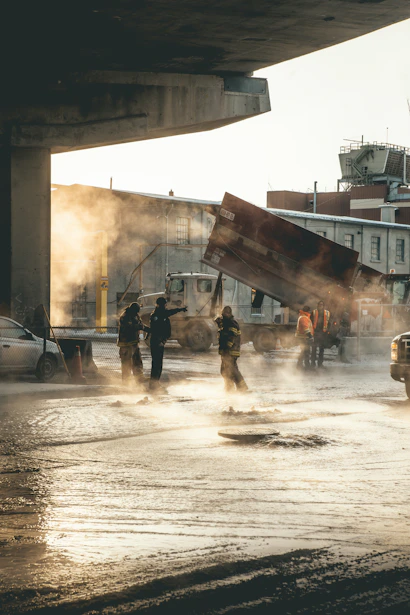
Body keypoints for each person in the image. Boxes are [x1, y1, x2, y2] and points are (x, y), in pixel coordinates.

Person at [149, 297, 187, 391]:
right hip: (157, 342)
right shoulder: (156, 315)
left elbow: (170, 312)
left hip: (160, 341)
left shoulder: (161, 313)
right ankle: (153, 384)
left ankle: (155, 383)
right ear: (160, 305)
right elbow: (155, 330)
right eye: (164, 304)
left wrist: (180, 309)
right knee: (156, 364)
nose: (165, 306)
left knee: (158, 364)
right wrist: (160, 341)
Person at [215, 306, 248, 392]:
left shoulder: (232, 323)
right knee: (224, 370)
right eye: (223, 313)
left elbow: (231, 337)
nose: (223, 315)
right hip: (225, 351)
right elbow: (223, 332)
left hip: (231, 351)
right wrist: (219, 323)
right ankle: (229, 387)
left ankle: (241, 387)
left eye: (225, 313)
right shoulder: (226, 323)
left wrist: (227, 348)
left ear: (229, 314)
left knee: (232, 370)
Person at [117, 302, 150, 386]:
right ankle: (126, 383)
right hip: (126, 345)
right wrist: (139, 327)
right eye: (136, 311)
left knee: (137, 362)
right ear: (132, 310)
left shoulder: (135, 315)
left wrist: (149, 329)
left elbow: (140, 325)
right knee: (126, 364)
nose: (137, 313)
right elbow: (129, 328)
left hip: (134, 344)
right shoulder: (125, 316)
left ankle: (139, 379)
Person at [310, 300, 330, 368]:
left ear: (323, 306)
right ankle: (313, 363)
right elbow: (310, 322)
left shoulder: (327, 313)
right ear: (317, 305)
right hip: (315, 333)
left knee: (321, 349)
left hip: (323, 333)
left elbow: (329, 322)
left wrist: (327, 331)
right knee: (314, 349)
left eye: (322, 304)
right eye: (319, 304)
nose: (320, 306)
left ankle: (320, 363)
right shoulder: (314, 312)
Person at [295, 305, 314, 370]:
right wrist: (310, 336)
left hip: (303, 338)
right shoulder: (304, 318)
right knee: (305, 352)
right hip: (304, 338)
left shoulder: (303, 317)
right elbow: (306, 328)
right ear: (308, 311)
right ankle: (302, 366)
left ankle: (302, 365)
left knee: (305, 352)